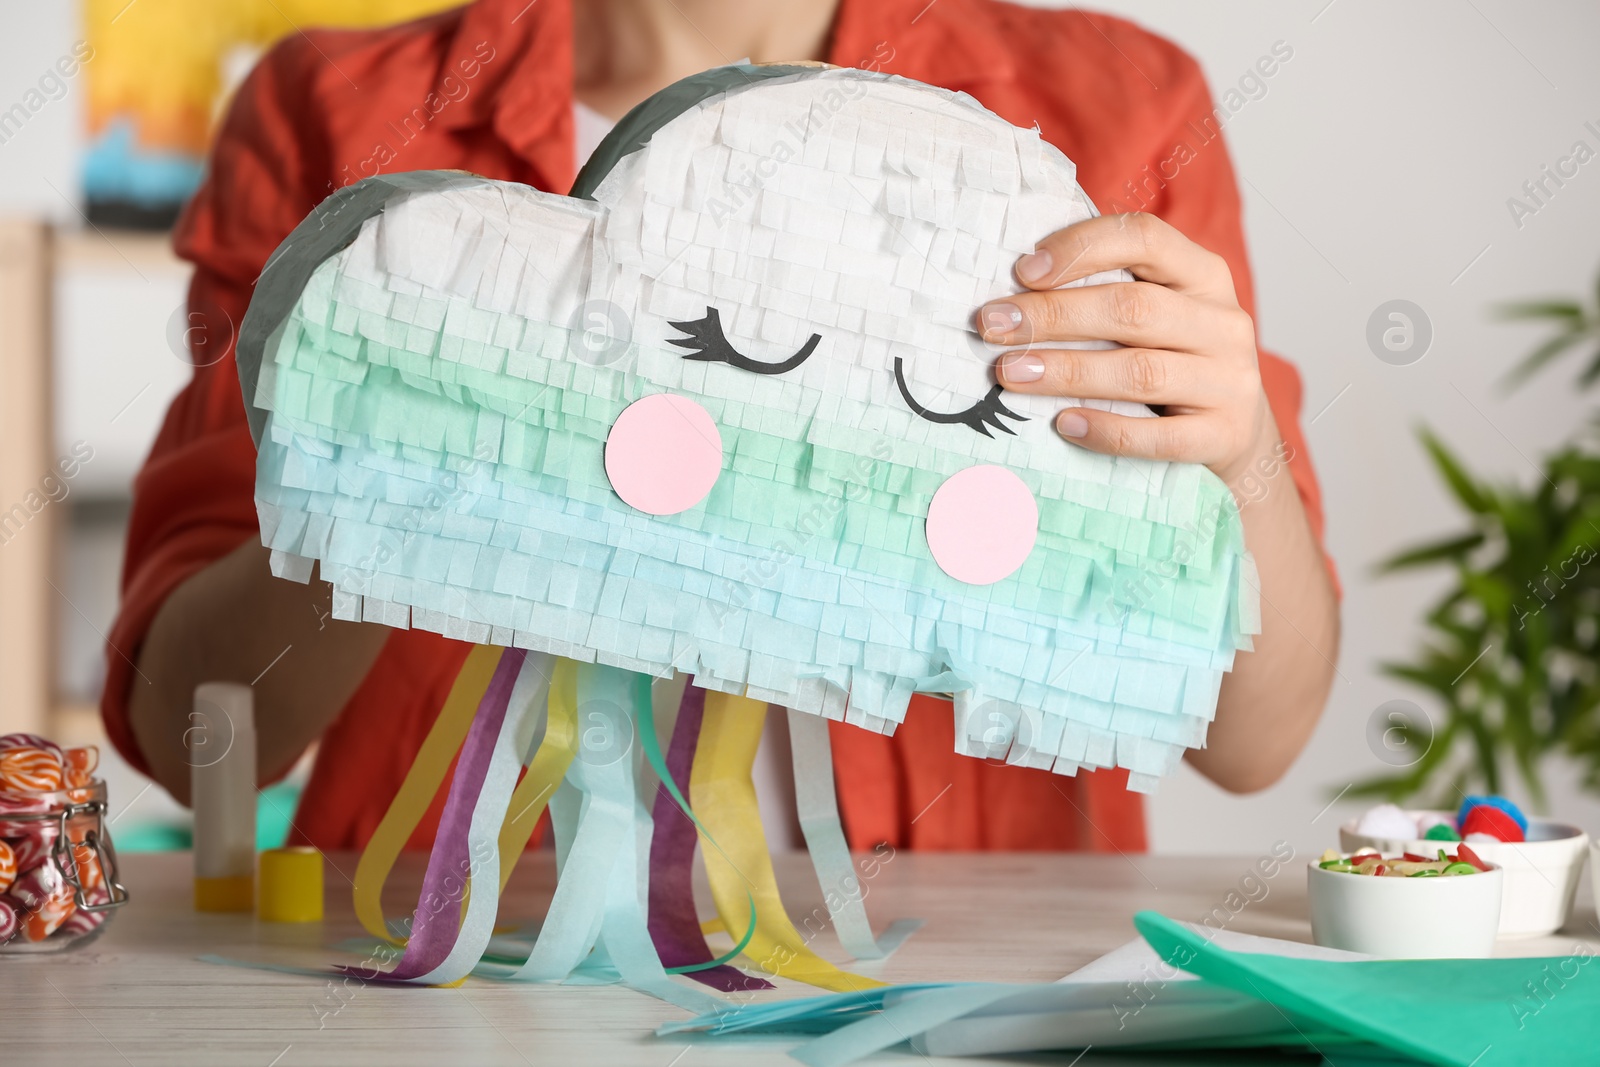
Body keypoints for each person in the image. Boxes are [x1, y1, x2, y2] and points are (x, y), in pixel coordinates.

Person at [105, 0, 1340, 854]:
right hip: (453, 991)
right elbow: (197, 734)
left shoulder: (1120, 110)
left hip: (968, 990)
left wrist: (1241, 460)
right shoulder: (333, 110)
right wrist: (399, 446)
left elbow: (1255, 738)